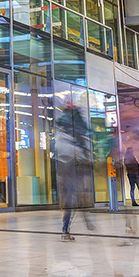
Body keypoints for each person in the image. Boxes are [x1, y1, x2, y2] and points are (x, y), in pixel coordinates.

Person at [56, 98, 95, 241]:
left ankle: (65, 229)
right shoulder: (77, 125)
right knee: (79, 196)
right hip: (75, 165)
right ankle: (84, 223)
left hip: (64, 165)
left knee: (70, 198)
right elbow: (86, 134)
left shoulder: (61, 130)